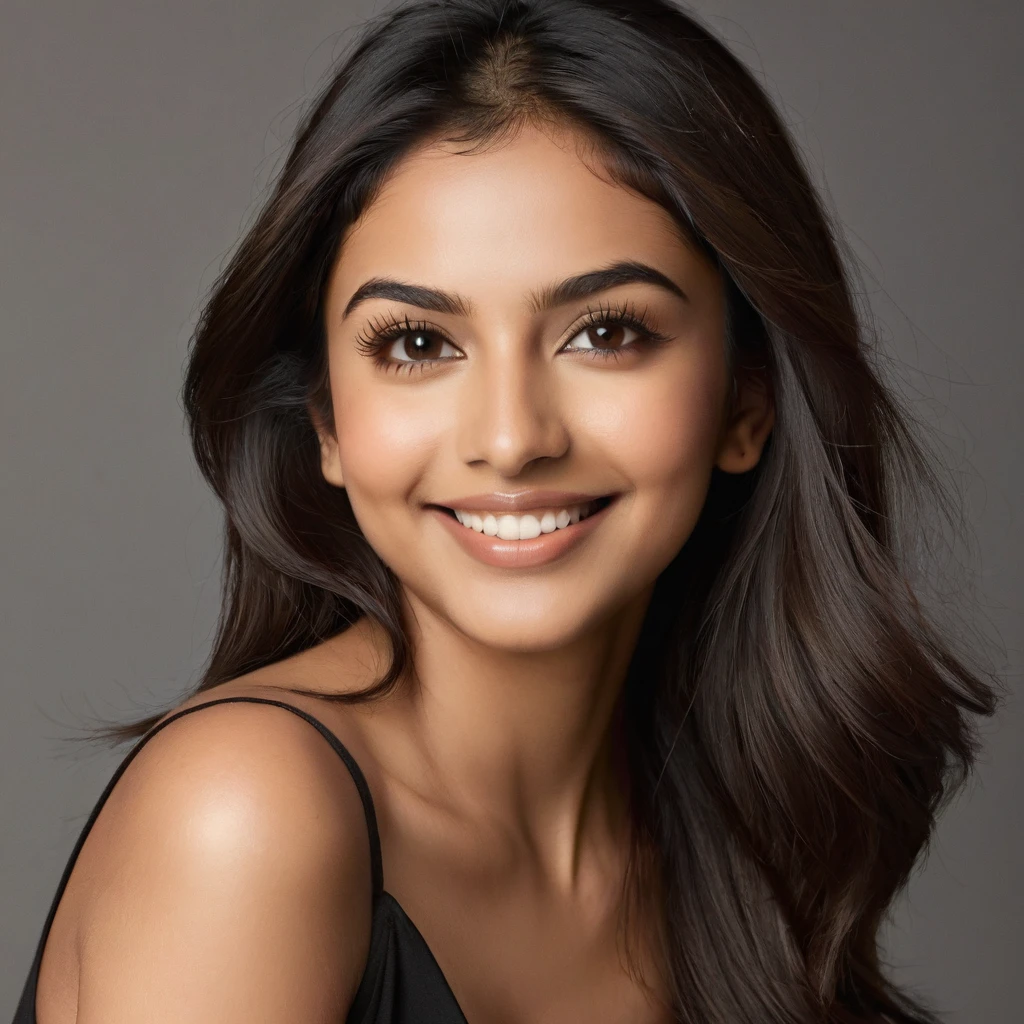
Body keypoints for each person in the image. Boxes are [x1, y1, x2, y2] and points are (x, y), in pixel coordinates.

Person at [14, 1, 999, 1021]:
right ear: (329, 427)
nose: (511, 435)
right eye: (417, 344)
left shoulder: (737, 833)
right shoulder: (246, 819)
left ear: (744, 403)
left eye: (605, 331)